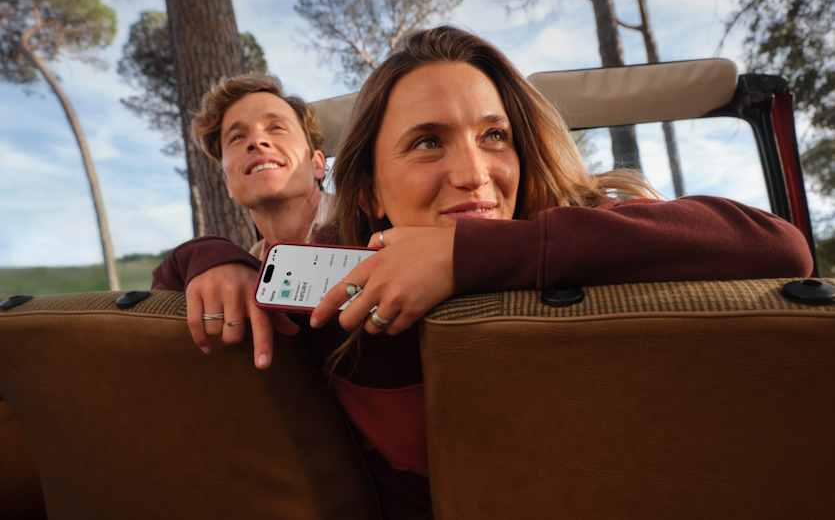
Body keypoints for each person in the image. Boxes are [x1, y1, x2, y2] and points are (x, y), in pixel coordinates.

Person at [153, 27, 813, 520]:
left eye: (494, 136)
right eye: (427, 141)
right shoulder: (332, 286)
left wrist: (462, 254)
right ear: (367, 195)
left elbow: (777, 247)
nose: (473, 172)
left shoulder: (596, 235)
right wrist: (218, 258)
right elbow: (170, 277)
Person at [155, 72, 331, 306]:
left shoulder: (383, 226)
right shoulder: (239, 276)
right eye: (237, 136)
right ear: (228, 183)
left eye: (276, 127)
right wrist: (193, 258)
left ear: (317, 163)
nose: (256, 141)